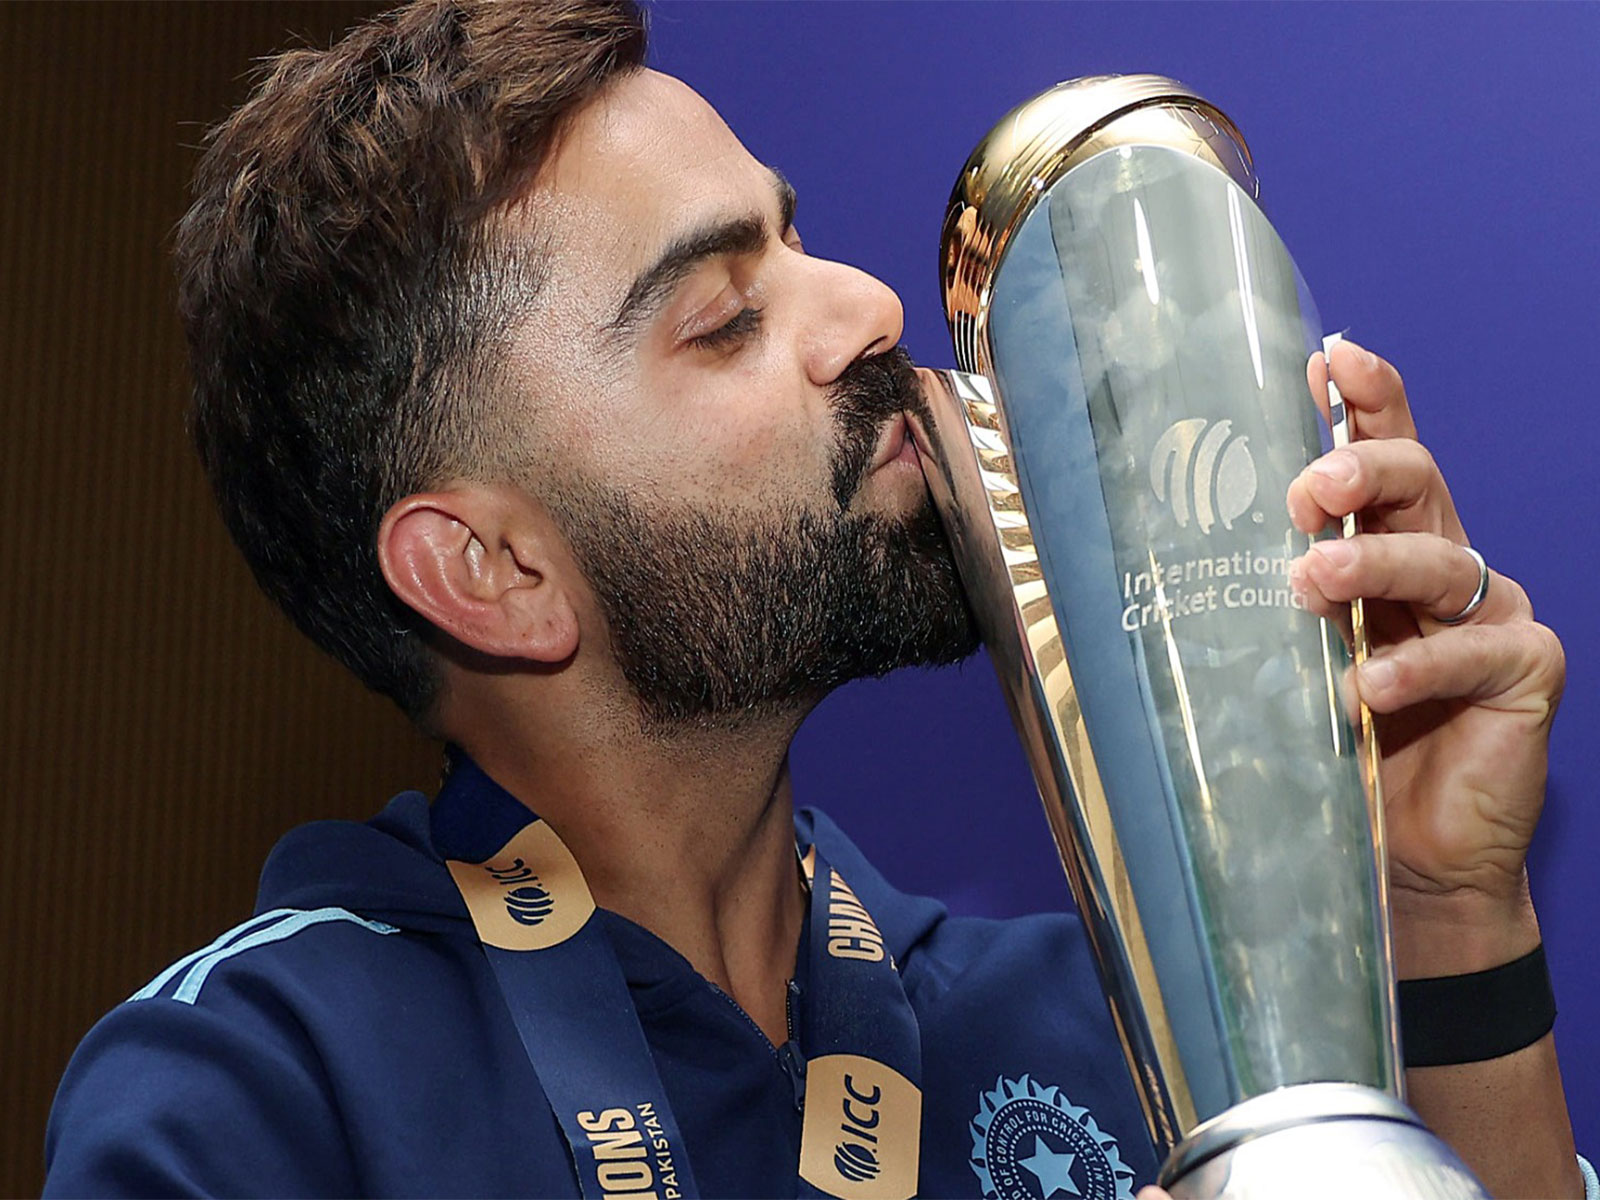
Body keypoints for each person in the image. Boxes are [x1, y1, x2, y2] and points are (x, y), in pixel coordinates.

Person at [43, 1, 1585, 1197]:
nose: (865, 308)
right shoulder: (258, 1099)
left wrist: (1441, 918)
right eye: (721, 318)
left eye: (795, 237)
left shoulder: (1107, 1028)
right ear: (494, 572)